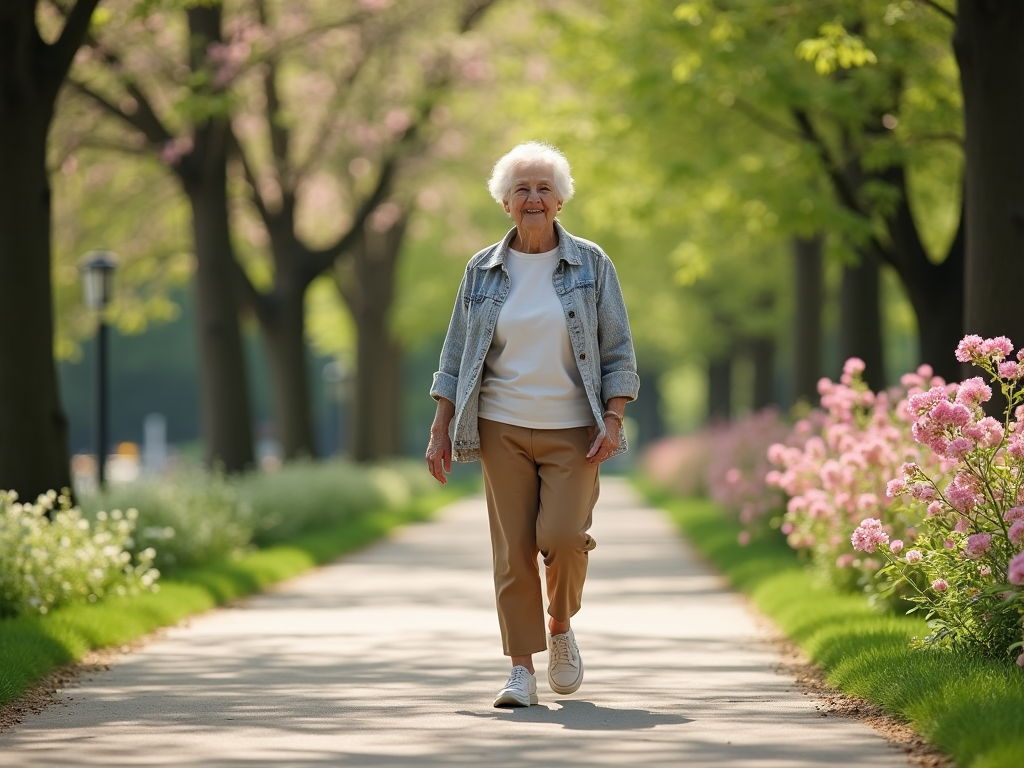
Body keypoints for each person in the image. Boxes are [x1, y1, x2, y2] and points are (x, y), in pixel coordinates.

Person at [425, 141, 639, 708]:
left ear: (562, 199)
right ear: (505, 203)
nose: (534, 198)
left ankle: (560, 626)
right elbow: (454, 357)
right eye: (521, 189)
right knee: (513, 549)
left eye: (544, 187)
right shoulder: (482, 270)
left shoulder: (592, 264)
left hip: (575, 428)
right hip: (501, 425)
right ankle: (520, 669)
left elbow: (618, 352)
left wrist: (614, 419)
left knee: (563, 539)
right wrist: (440, 426)